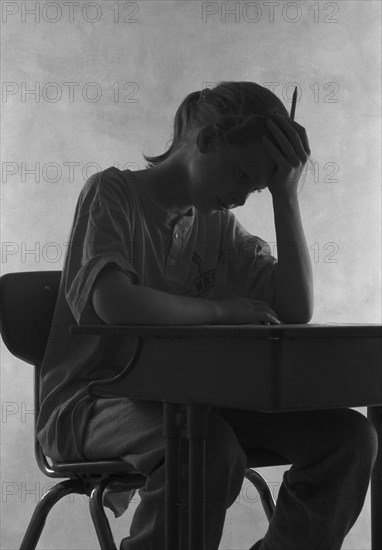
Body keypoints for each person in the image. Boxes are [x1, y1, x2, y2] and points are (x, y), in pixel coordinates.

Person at [36, 81, 378, 550]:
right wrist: (222, 310)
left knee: (349, 438)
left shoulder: (217, 224)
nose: (241, 196)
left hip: (194, 402)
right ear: (208, 139)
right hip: (91, 402)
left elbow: (296, 310)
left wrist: (286, 196)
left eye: (255, 188)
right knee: (206, 446)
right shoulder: (111, 192)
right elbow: (116, 305)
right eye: (241, 175)